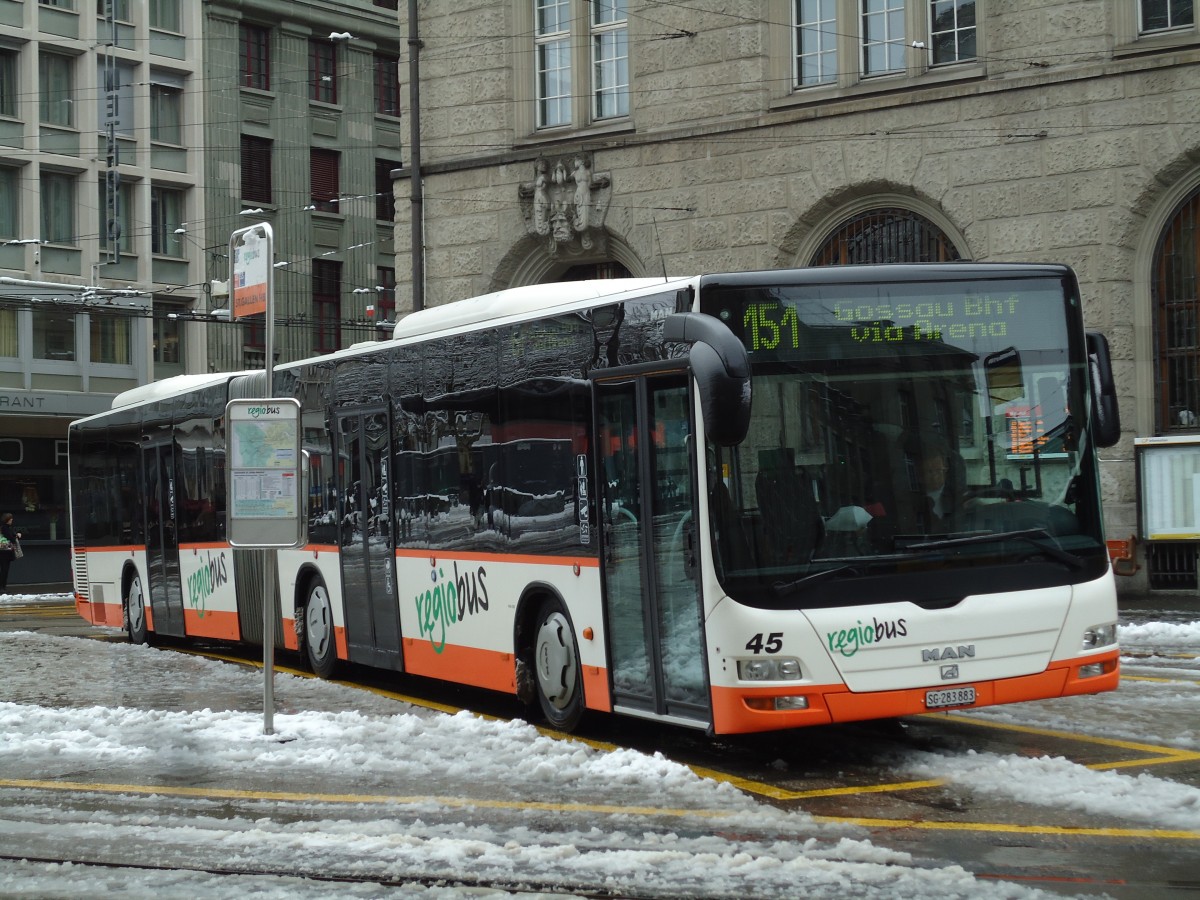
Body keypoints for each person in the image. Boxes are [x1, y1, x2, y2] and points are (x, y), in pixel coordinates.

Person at [0, 512, 21, 594]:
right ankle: (2, 587)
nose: (12, 520)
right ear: (7, 520)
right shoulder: (5, 528)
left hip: (4, 552)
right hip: (4, 552)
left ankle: (2, 586)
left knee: (4, 569)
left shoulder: (5, 527)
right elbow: (11, 538)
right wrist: (17, 536)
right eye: (10, 519)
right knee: (4, 569)